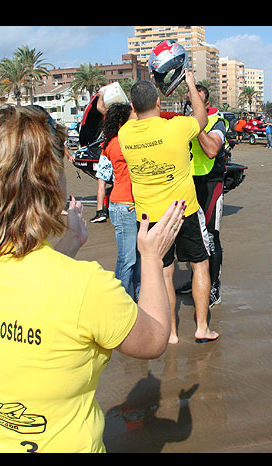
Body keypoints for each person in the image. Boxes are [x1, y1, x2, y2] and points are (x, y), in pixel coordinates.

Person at [0, 104, 185, 453]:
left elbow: (26, 300)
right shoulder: (86, 286)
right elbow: (154, 340)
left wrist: (68, 244)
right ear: (51, 181)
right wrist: (152, 257)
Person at [119, 74, 219, 344]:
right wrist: (189, 83)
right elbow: (201, 118)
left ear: (133, 106)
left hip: (149, 217)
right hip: (184, 211)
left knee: (164, 273)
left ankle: (171, 333)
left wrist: (141, 98)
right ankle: (202, 328)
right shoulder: (176, 127)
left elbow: (134, 114)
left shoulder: (125, 134)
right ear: (159, 102)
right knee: (200, 264)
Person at [175, 84, 227, 308]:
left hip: (210, 183)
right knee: (191, 236)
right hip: (187, 182)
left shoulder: (218, 122)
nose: (192, 103)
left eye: (197, 100)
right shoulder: (183, 120)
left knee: (211, 237)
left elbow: (212, 150)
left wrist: (197, 124)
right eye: (190, 100)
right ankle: (196, 279)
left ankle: (214, 286)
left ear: (205, 103)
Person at [100, 101, 140, 300]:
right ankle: (122, 302)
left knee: (136, 257)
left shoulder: (113, 142)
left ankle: (136, 299)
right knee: (128, 259)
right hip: (125, 205)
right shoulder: (119, 143)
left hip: (126, 204)